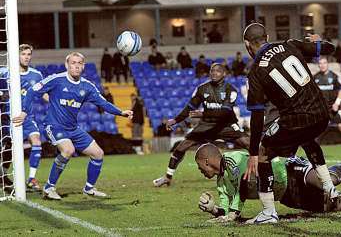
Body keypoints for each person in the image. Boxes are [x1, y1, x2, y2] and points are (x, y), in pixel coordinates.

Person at [242, 22, 340, 224]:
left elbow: (257, 116)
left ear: (247, 44)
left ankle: (269, 212)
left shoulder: (255, 72)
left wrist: (252, 152)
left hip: (296, 119)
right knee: (307, 138)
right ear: (267, 36)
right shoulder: (290, 45)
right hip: (322, 113)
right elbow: (331, 48)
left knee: (263, 154)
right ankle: (330, 189)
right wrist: (318, 41)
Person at [12, 52, 133, 200]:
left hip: (73, 128)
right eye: (73, 63)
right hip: (53, 126)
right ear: (67, 65)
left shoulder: (87, 86)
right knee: (68, 150)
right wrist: (24, 112)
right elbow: (32, 91)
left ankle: (89, 188)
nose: (76, 66)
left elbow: (104, 104)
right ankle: (49, 188)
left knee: (98, 154)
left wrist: (121, 112)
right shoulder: (56, 80)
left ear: (83, 66)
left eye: (79, 63)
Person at [195, 144, 341, 222]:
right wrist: (213, 209)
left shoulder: (232, 159)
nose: (200, 171)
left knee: (327, 180)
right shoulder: (221, 184)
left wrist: (234, 212)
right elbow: (227, 214)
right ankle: (340, 197)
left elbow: (244, 184)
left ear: (206, 161)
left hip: (289, 170)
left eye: (199, 167)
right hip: (286, 196)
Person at [152, 63, 250, 187]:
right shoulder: (202, 89)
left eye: (218, 71)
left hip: (226, 124)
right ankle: (167, 177)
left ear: (224, 74)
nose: (214, 73)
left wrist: (203, 114)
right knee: (181, 147)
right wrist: (175, 120)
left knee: (249, 144)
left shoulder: (231, 90)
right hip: (206, 125)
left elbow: (224, 112)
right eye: (212, 71)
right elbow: (190, 108)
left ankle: (261, 170)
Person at [0, 44, 47, 191]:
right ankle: (3, 175)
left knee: (36, 141)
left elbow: (44, 93)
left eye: (28, 54)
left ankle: (32, 179)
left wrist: (56, 102)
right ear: (16, 56)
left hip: (27, 117)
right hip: (6, 117)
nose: (26, 57)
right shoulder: (3, 73)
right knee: (8, 147)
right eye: (23, 54)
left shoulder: (36, 75)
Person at [314, 57, 341, 158]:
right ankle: (315, 155)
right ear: (318, 65)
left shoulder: (334, 77)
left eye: (324, 63)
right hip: (321, 110)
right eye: (320, 63)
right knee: (316, 132)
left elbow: (340, 90)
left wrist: (337, 103)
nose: (322, 65)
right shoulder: (315, 77)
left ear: (327, 64)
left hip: (333, 108)